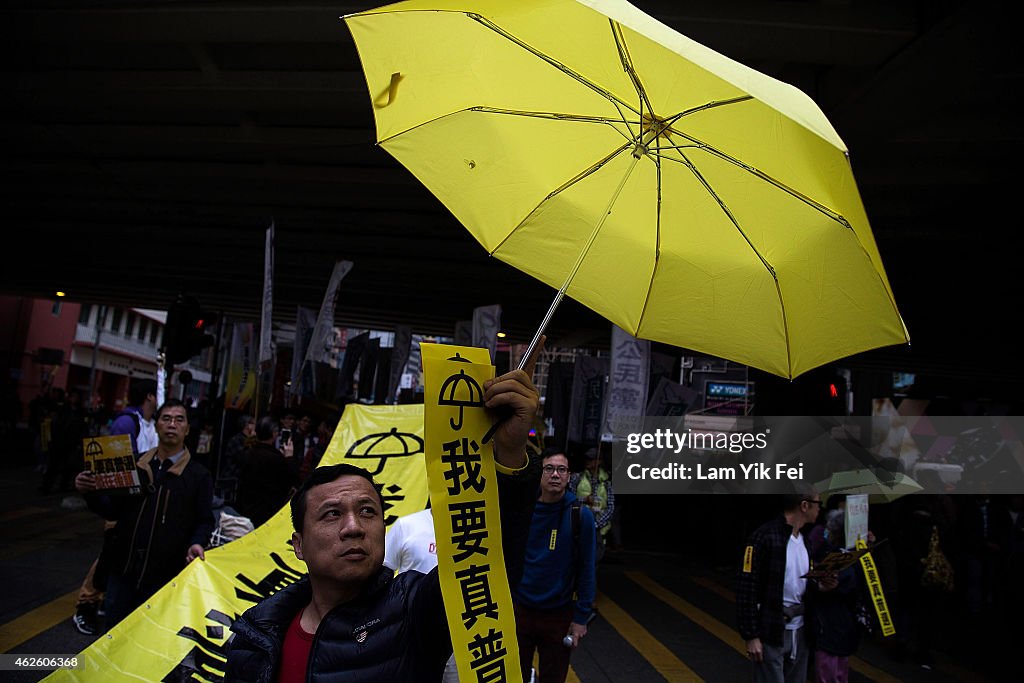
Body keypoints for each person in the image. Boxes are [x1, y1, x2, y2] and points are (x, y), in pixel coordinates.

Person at [225, 349, 543, 683]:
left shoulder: (414, 611)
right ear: (298, 544)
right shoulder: (256, 636)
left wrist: (508, 456)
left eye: (367, 512)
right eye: (332, 514)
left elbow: (486, 565)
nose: (354, 528)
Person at [74, 398, 215, 628]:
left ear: (187, 429)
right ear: (156, 425)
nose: (172, 424)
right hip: (123, 573)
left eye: (179, 420)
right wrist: (89, 492)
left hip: (166, 580)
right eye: (166, 419)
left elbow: (204, 520)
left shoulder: (198, 476)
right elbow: (112, 510)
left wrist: (197, 543)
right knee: (113, 641)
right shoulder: (136, 465)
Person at [71, 378, 159, 635]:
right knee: (111, 554)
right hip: (126, 504)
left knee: (118, 556)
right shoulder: (127, 422)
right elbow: (120, 469)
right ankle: (85, 604)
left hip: (139, 503)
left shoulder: (144, 422)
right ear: (150, 397)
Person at [736, 485, 837, 683]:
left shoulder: (805, 541)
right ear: (805, 506)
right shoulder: (764, 537)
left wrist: (822, 587)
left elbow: (800, 583)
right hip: (772, 628)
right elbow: (746, 587)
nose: (821, 509)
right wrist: (751, 635)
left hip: (800, 631)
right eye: (818, 503)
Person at [514, 447, 597, 683]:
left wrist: (581, 617)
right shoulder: (524, 511)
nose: (555, 475)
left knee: (553, 677)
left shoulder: (580, 515)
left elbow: (587, 569)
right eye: (549, 468)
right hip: (520, 610)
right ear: (539, 474)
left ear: (569, 476)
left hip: (558, 614)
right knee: (513, 675)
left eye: (561, 470)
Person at [383, 505, 460, 683]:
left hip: (458, 637)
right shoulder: (406, 525)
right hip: (409, 635)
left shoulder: (472, 531)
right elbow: (383, 573)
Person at [808, 509, 861, 683]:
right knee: (838, 673)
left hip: (828, 628)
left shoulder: (827, 555)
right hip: (842, 628)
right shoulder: (855, 558)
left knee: (827, 673)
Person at [235, 417, 299, 528]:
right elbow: (291, 480)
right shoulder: (277, 459)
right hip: (269, 512)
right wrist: (289, 458)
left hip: (245, 508)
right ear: (274, 434)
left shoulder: (247, 453)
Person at [568, 446, 614, 562]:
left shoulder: (607, 482)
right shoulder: (577, 478)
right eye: (587, 458)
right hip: (579, 526)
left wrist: (596, 524)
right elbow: (569, 499)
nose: (588, 461)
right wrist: (584, 499)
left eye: (591, 459)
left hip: (598, 530)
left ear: (599, 461)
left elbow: (610, 507)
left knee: (593, 564)